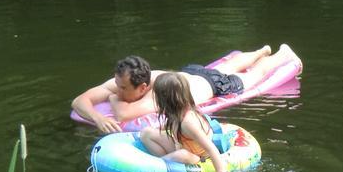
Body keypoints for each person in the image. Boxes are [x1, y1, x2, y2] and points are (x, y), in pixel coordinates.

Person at [71, 44, 300, 134]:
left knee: (252, 76)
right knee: (228, 65)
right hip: (190, 73)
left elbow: (122, 114)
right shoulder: (124, 80)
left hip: (211, 86)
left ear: (142, 87)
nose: (117, 90)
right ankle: (261, 51)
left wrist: (111, 99)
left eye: (122, 89)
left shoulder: (160, 91)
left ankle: (283, 54)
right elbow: (79, 101)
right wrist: (96, 117)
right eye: (116, 86)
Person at [140, 72, 235, 172]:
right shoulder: (175, 113)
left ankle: (157, 166)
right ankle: (164, 164)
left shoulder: (188, 123)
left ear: (164, 99)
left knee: (181, 155)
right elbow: (166, 129)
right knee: (146, 133)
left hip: (199, 157)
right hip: (183, 146)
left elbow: (211, 149)